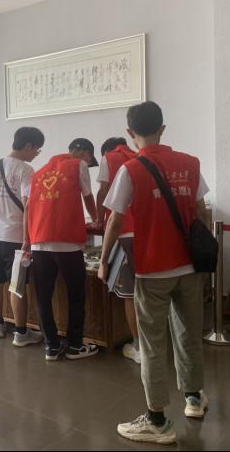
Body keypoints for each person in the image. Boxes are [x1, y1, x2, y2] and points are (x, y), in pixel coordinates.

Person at [99, 101, 210, 445]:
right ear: (162, 128)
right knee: (188, 333)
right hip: (189, 266)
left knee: (152, 344)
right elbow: (202, 210)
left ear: (130, 133)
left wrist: (103, 260)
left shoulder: (130, 169)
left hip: (152, 269)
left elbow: (115, 220)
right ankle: (194, 398)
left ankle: (158, 421)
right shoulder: (190, 163)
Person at [22, 138, 100, 361]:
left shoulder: (39, 172)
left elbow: (28, 208)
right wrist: (96, 219)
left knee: (43, 296)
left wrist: (27, 240)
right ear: (85, 153)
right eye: (89, 159)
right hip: (67, 241)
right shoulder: (78, 165)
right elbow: (88, 197)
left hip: (39, 241)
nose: (88, 164)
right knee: (76, 294)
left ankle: (52, 347)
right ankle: (75, 346)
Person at [0, 127, 45, 346]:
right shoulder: (26, 170)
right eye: (37, 150)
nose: (36, 154)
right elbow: (29, 205)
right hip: (16, 235)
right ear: (28, 146)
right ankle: (20, 333)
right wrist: (27, 239)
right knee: (16, 284)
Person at [95, 137, 142, 365]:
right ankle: (155, 342)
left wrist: (98, 219)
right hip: (148, 233)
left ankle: (138, 347)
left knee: (130, 295)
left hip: (123, 233)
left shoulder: (109, 158)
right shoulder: (141, 158)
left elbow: (103, 192)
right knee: (148, 291)